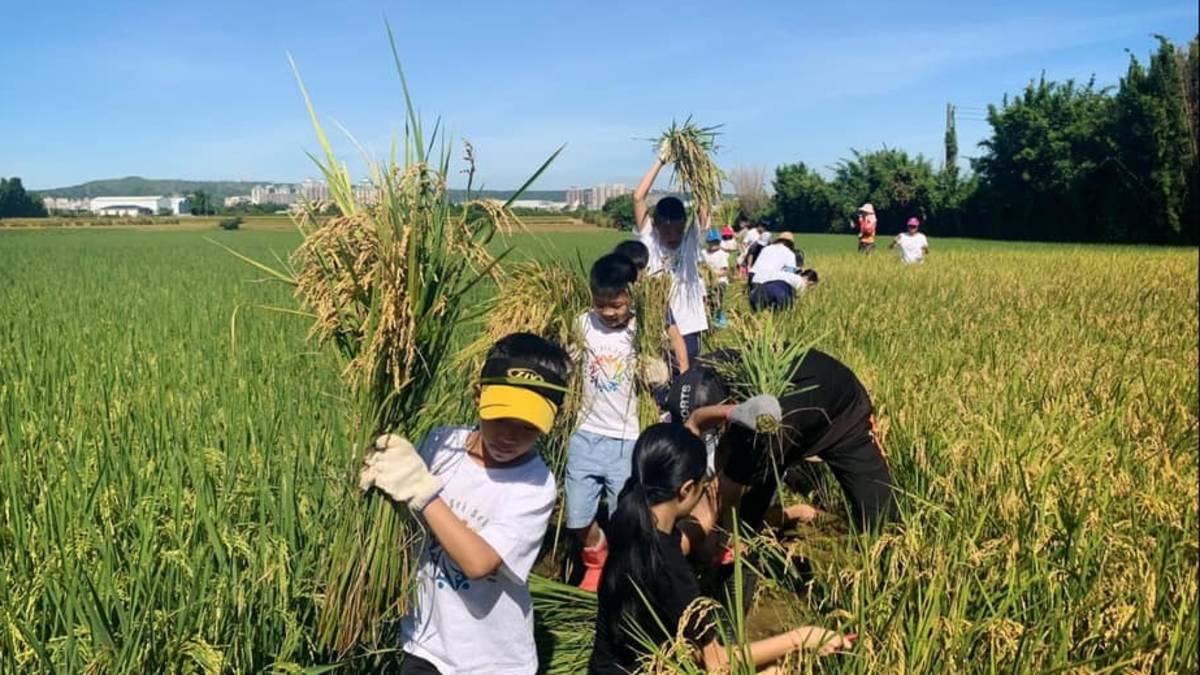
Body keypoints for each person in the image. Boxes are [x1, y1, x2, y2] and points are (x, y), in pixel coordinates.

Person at [358, 332, 572, 675]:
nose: (510, 435)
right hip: (424, 640)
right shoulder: (441, 443)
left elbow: (479, 562)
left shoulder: (535, 485)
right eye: (500, 417)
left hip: (490, 661)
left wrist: (420, 489)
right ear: (478, 396)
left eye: (528, 427)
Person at [588, 423, 853, 675]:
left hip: (606, 667)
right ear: (687, 489)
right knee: (776, 670)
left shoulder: (627, 521)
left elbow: (682, 539)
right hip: (648, 669)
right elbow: (718, 663)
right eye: (702, 484)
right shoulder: (674, 573)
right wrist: (802, 637)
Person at [669, 348, 897, 537]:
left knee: (884, 521)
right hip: (778, 423)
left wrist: (678, 538)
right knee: (747, 525)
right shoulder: (711, 369)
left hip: (843, 416)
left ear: (732, 403)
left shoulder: (759, 428)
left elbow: (714, 503)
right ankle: (740, 572)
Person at [566, 254, 640, 593]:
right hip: (586, 434)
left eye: (617, 305)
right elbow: (568, 365)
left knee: (625, 516)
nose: (609, 312)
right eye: (601, 304)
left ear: (632, 297)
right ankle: (595, 555)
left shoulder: (642, 331)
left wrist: (659, 373)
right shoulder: (582, 324)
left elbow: (671, 366)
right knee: (578, 514)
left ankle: (620, 571)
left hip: (627, 438)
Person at [633, 151, 708, 376]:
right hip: (658, 325)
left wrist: (695, 169)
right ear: (655, 225)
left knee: (687, 381)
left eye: (678, 228)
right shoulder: (650, 240)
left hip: (689, 325)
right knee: (658, 378)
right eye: (666, 229)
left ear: (685, 223)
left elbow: (704, 204)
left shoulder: (692, 241)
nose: (673, 235)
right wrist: (661, 160)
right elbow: (638, 198)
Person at [748, 232, 806, 311]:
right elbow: (789, 273)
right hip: (770, 283)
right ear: (790, 243)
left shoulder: (766, 248)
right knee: (772, 309)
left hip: (754, 277)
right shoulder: (789, 253)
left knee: (756, 308)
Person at [703, 230, 730, 328]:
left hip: (719, 280)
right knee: (707, 300)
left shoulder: (721, 254)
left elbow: (725, 270)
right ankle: (707, 316)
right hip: (705, 281)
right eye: (712, 242)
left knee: (718, 298)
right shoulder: (703, 253)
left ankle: (719, 315)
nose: (714, 244)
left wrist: (713, 274)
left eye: (716, 242)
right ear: (707, 242)